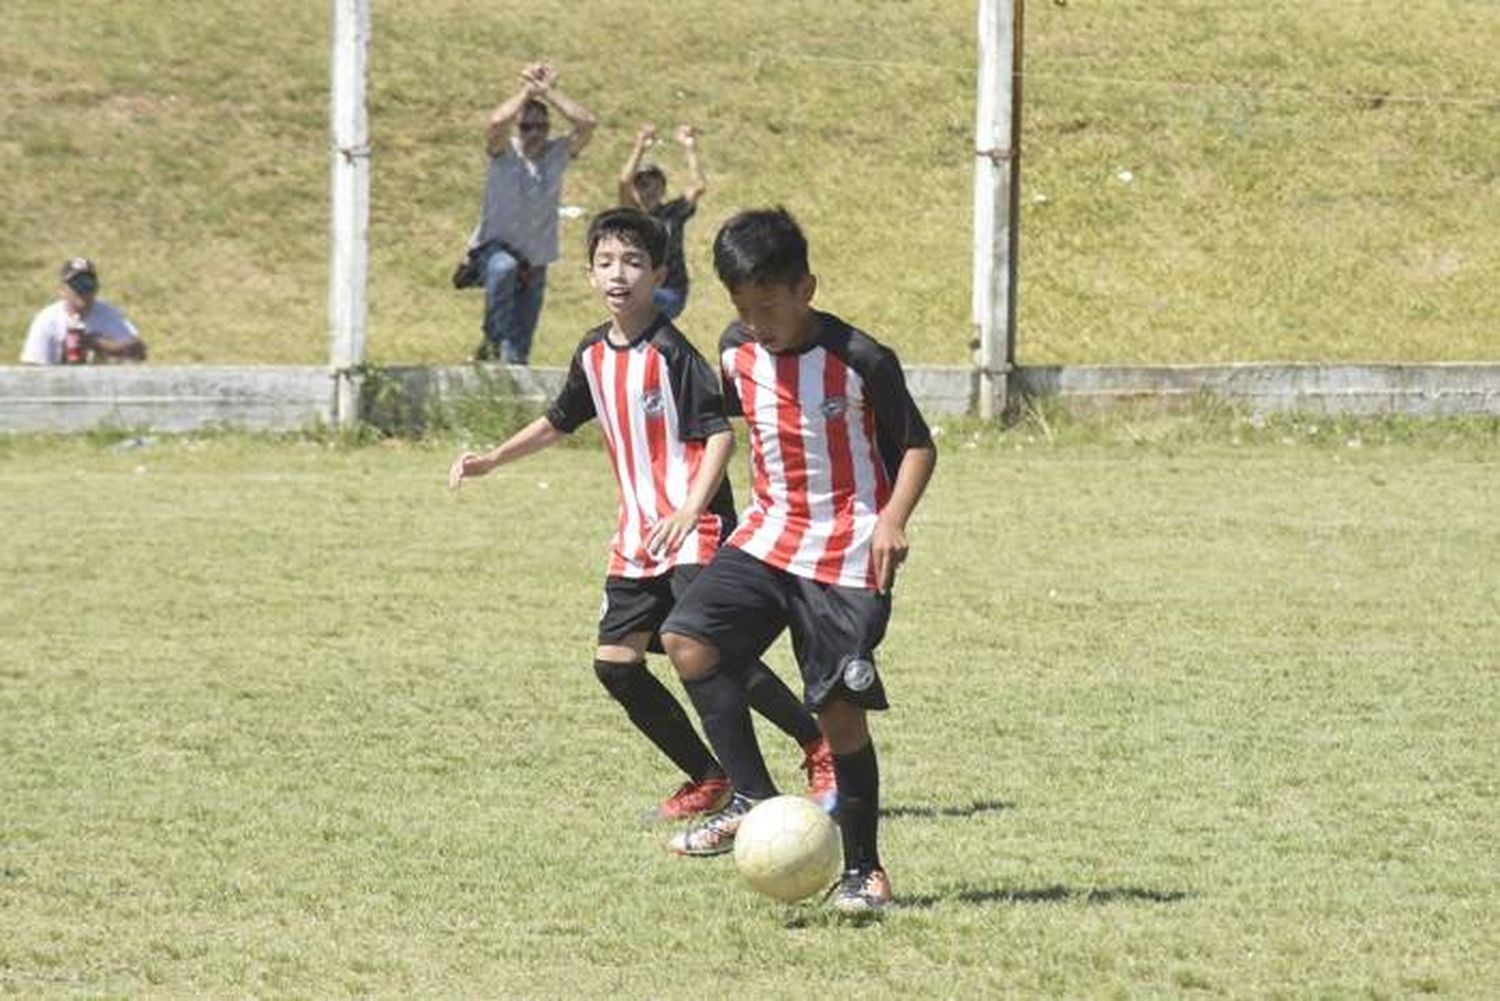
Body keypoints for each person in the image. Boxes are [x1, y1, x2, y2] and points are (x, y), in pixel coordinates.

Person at [448, 207, 836, 823]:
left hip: (693, 529)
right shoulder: (593, 354)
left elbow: (719, 438)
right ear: (589, 275)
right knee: (617, 666)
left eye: (632, 261)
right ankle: (707, 776)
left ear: (659, 273)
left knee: (712, 653)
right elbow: (559, 421)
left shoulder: (672, 352)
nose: (617, 274)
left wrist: (690, 508)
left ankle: (816, 745)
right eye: (605, 263)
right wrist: (493, 458)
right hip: (637, 535)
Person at [658, 208, 937, 914]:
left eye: (770, 304)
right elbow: (737, 424)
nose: (756, 321)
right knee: (688, 638)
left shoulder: (861, 357)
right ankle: (749, 794)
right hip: (767, 536)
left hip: (846, 553)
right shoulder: (734, 350)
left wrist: (893, 520)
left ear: (806, 287)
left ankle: (865, 870)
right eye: (742, 306)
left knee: (839, 712)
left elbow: (917, 445)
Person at [467, 60, 596, 365]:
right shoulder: (504, 152)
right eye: (526, 126)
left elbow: (587, 123)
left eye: (541, 126)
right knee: (503, 269)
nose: (534, 133)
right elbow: (496, 123)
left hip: (536, 260)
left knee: (518, 353)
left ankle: (498, 365)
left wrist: (549, 92)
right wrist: (526, 92)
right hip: (492, 250)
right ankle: (491, 338)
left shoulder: (557, 154)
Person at [618, 124, 707, 321]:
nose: (648, 191)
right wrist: (639, 147)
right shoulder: (632, 215)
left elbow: (698, 186)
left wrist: (689, 147)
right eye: (641, 185)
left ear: (663, 189)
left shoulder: (673, 212)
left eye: (654, 186)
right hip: (639, 292)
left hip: (671, 292)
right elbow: (624, 181)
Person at [20, 257, 147, 365]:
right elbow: (32, 368)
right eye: (76, 285)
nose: (83, 291)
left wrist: (101, 344)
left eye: (88, 284)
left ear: (96, 288)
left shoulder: (110, 315)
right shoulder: (47, 319)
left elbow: (139, 352)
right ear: (62, 290)